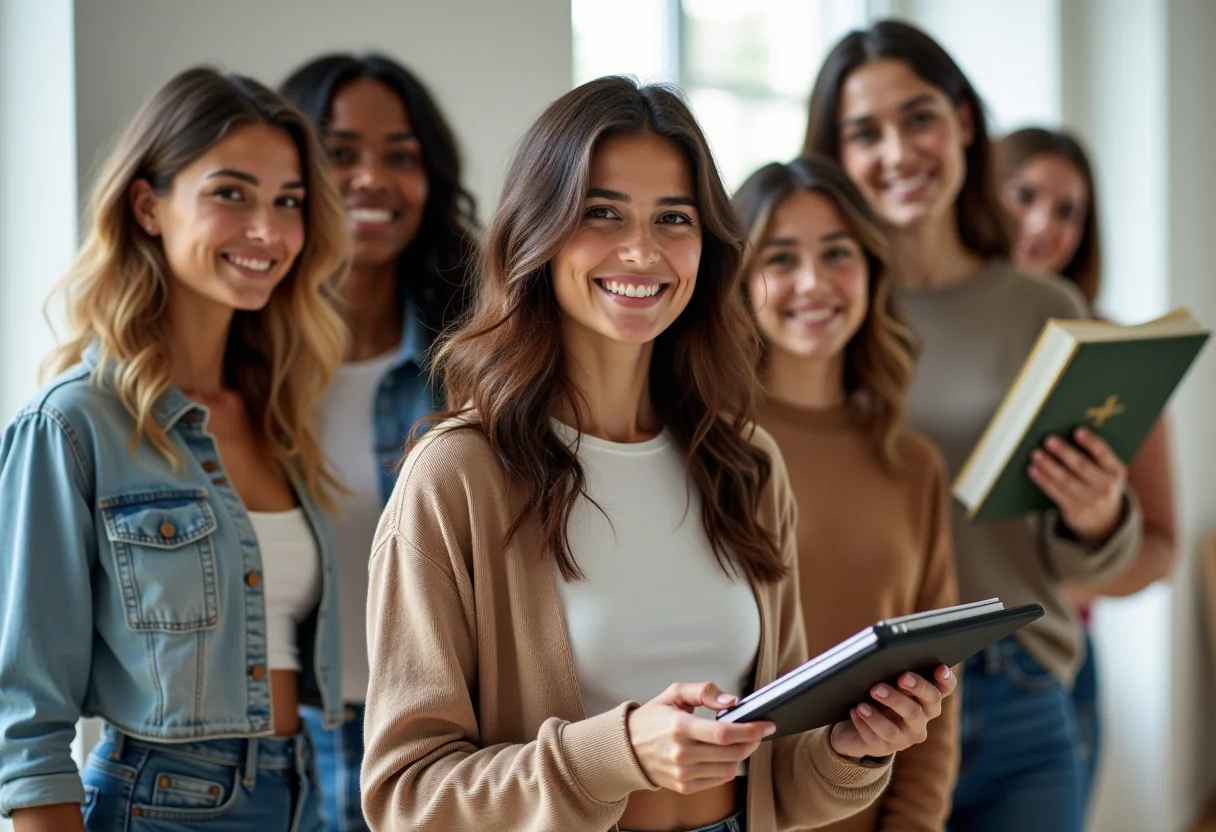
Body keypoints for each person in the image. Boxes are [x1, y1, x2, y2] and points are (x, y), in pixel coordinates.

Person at [360, 76, 957, 832]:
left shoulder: (745, 466)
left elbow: (783, 785)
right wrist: (619, 753)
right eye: (601, 213)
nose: (641, 250)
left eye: (673, 219)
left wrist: (854, 748)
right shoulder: (459, 476)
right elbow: (405, 800)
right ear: (538, 232)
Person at [803, 21, 1142, 832]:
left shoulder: (1043, 309)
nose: (897, 151)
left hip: (1019, 685)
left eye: (918, 117)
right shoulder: (817, 309)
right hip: (859, 699)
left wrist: (1097, 514)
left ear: (962, 122)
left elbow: (1070, 549)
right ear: (835, 156)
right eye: (864, 132)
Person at [0, 67, 350, 832]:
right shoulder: (70, 425)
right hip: (161, 806)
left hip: (306, 795)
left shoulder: (277, 414)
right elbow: (24, 718)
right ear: (148, 205)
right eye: (231, 193)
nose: (268, 230)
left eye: (287, 202)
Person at [280, 53, 478, 832]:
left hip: (442, 743)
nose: (371, 179)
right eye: (339, 154)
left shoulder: (475, 358)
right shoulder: (238, 370)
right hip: (276, 750)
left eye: (400, 156)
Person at [734, 154, 960, 832]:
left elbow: (938, 683)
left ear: (870, 272)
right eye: (780, 259)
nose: (813, 283)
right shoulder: (702, 449)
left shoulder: (911, 463)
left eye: (838, 254)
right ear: (739, 282)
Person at [997, 126, 1178, 806]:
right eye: (1025, 195)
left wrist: (1088, 551)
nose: (1043, 223)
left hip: (1051, 660)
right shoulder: (908, 329)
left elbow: (1161, 547)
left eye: (1069, 210)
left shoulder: (1109, 355)